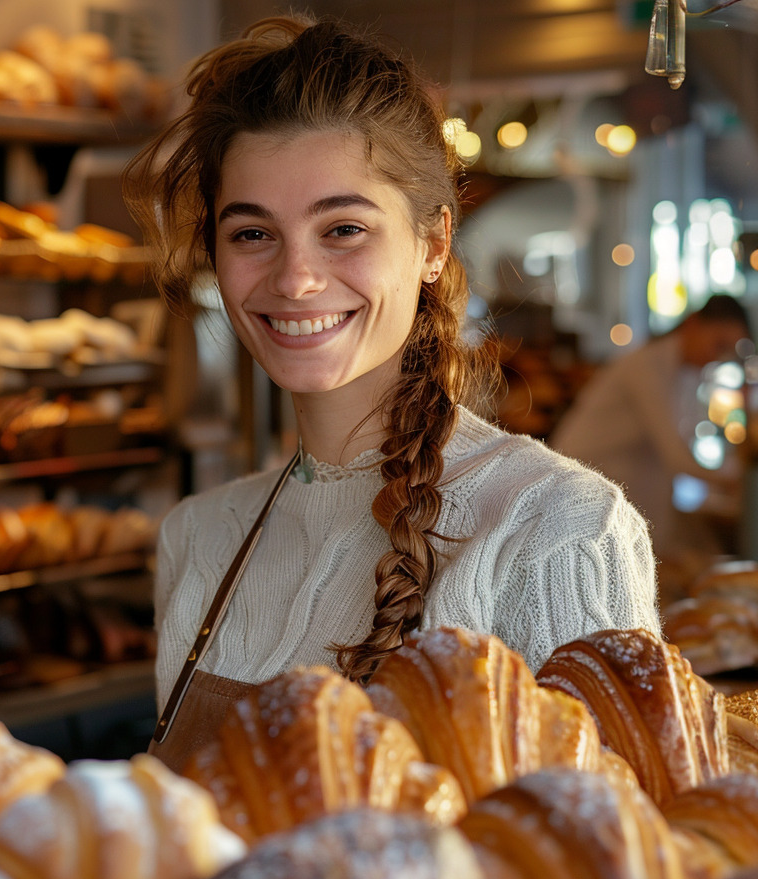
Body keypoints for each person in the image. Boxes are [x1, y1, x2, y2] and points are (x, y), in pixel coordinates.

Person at [123, 15, 661, 771]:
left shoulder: (557, 529)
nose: (295, 278)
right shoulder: (198, 538)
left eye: (342, 228)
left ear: (434, 244)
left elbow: (610, 867)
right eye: (252, 234)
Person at [549, 294, 751, 568]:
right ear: (692, 324)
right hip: (579, 493)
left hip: (624, 497)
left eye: (726, 350)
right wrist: (737, 480)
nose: (718, 356)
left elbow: (684, 448)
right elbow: (676, 457)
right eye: (719, 344)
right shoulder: (646, 366)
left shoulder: (687, 374)